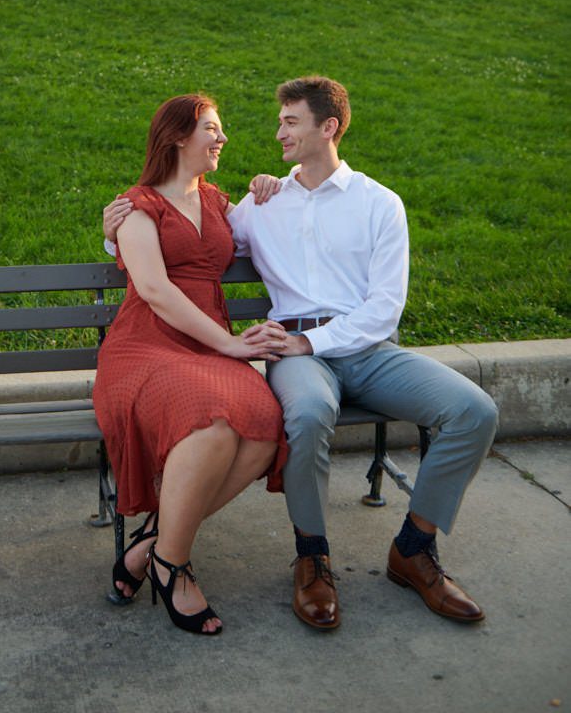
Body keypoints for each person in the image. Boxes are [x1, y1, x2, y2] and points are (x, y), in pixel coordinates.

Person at [104, 76, 498, 631]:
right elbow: (190, 237)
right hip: (297, 356)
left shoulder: (380, 204)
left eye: (290, 122)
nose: (277, 132)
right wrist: (112, 230)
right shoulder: (262, 203)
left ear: (328, 127)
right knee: (307, 414)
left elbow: (385, 307)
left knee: (475, 411)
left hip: (365, 348)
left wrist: (310, 340)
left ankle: (414, 548)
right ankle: (312, 558)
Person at [92, 94, 290, 637]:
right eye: (212, 129)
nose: (222, 139)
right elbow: (154, 289)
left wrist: (268, 189)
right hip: (147, 346)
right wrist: (228, 345)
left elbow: (260, 230)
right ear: (179, 136)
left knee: (264, 426)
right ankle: (173, 567)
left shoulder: (218, 202)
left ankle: (153, 546)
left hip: (203, 347)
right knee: (215, 423)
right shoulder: (137, 207)